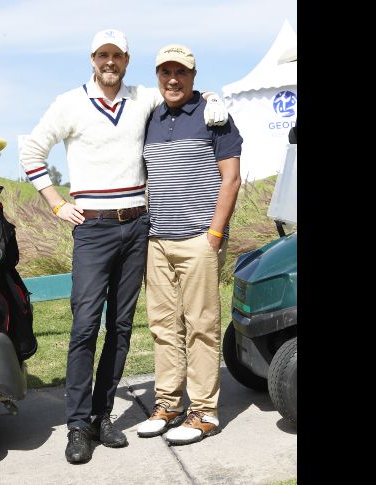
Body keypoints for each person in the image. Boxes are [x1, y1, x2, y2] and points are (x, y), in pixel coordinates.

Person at [19, 29, 228, 464]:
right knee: (83, 326)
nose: (109, 62)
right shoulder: (69, 103)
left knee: (120, 326)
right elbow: (31, 151)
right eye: (102, 55)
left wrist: (213, 97)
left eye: (117, 55)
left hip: (137, 228)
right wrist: (56, 203)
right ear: (93, 59)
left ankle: (101, 415)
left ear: (127, 61)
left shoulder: (142, 98)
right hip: (93, 230)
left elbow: (181, 92)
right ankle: (77, 425)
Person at [136, 44, 242, 446]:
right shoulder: (150, 117)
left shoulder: (215, 116)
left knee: (201, 326)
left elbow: (230, 179)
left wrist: (214, 235)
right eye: (165, 72)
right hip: (157, 239)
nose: (173, 79)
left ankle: (204, 412)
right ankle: (168, 404)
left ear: (193, 77)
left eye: (181, 72)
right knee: (164, 326)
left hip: (200, 237)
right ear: (158, 76)